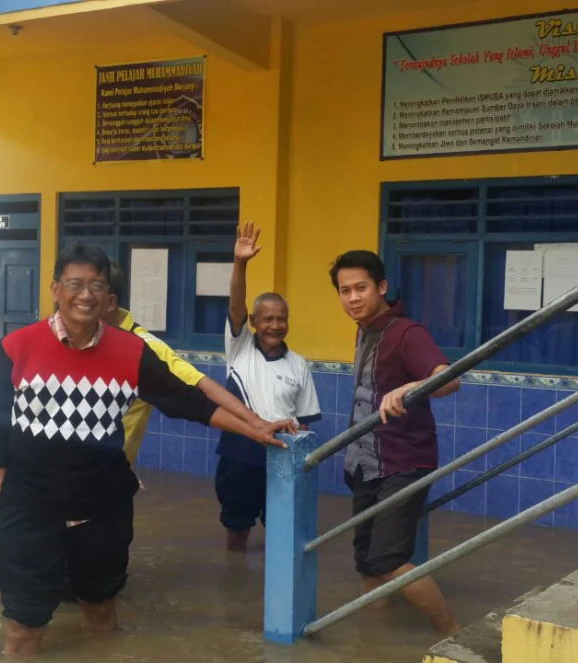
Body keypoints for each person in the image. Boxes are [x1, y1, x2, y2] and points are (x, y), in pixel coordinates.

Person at [0, 243, 291, 656]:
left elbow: (191, 400)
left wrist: (255, 428)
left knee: (102, 616)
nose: (85, 294)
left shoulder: (131, 351)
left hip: (102, 510)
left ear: (109, 296)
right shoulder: (18, 346)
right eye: (75, 284)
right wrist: (4, 492)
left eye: (96, 285)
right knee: (22, 630)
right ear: (56, 289)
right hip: (28, 514)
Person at [328, 249, 461, 635]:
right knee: (366, 558)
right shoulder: (366, 330)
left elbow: (450, 379)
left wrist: (409, 387)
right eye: (344, 290)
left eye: (361, 288)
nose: (352, 297)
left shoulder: (407, 332)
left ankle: (453, 631)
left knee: (387, 557)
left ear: (381, 287)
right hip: (366, 463)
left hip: (404, 462)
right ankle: (372, 641)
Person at [102, 260, 274, 466]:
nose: (80, 299)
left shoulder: (142, 347)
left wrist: (255, 424)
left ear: (110, 300)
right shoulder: (64, 339)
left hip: (106, 476)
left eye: (90, 289)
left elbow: (199, 385)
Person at [218, 222, 322, 552]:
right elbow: (235, 304)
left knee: (283, 534)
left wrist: (300, 466)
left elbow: (304, 422)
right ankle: (235, 587)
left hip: (281, 459)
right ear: (253, 322)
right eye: (267, 319)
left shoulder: (299, 364)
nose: (275, 325)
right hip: (239, 455)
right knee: (237, 534)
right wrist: (241, 263)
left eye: (281, 319)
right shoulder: (239, 348)